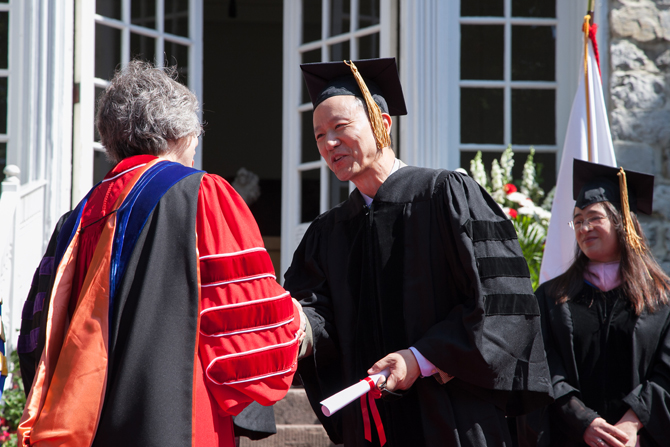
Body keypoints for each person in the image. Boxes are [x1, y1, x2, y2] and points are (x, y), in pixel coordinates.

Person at [17, 60, 303, 447]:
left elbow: (36, 344)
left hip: (85, 431)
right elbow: (242, 324)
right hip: (178, 424)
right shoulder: (202, 194)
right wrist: (298, 321)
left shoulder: (76, 219)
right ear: (179, 132)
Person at [284, 58, 553, 447]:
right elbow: (319, 313)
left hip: (452, 418)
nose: (328, 143)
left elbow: (500, 305)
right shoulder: (329, 232)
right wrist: (297, 326)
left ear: (383, 122)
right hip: (372, 426)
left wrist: (420, 358)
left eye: (340, 127)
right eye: (319, 135)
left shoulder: (445, 195)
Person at [531, 159, 670, 447]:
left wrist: (632, 425)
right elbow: (543, 367)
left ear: (622, 223)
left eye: (594, 218)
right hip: (572, 438)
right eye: (578, 220)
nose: (584, 228)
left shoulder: (662, 297)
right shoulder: (552, 298)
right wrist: (584, 421)